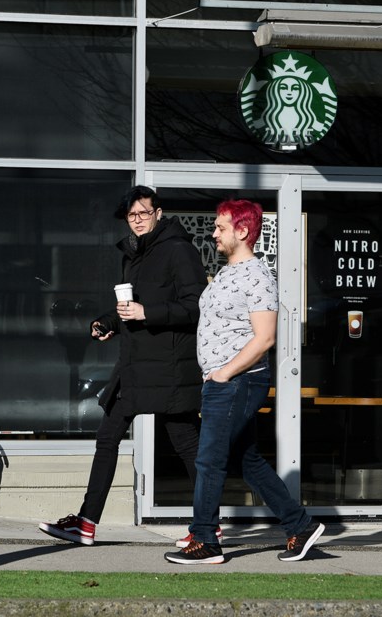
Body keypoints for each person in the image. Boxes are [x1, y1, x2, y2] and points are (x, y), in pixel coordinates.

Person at [39, 185, 218, 547]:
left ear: (159, 213)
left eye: (143, 213)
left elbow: (197, 306)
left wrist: (146, 313)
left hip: (168, 365)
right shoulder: (133, 253)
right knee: (107, 437)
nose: (136, 221)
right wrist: (107, 322)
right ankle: (86, 523)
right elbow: (131, 305)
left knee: (185, 442)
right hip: (135, 365)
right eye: (131, 215)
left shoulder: (180, 250)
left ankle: (208, 526)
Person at [165, 199, 324, 565]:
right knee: (247, 460)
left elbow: (265, 338)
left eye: (220, 228)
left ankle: (206, 540)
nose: (214, 233)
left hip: (237, 381)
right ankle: (299, 526)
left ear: (242, 231)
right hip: (224, 380)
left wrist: (224, 372)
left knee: (209, 460)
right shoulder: (226, 273)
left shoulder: (257, 276)